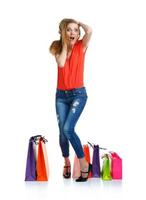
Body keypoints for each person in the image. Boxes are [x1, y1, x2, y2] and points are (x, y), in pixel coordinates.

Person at [49, 18, 92, 182]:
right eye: (69, 30)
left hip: (78, 94)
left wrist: (80, 23)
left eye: (75, 30)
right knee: (62, 132)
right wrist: (65, 42)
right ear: (62, 32)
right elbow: (61, 63)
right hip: (61, 96)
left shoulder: (82, 46)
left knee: (68, 128)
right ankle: (66, 161)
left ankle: (84, 164)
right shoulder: (57, 47)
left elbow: (90, 31)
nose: (72, 32)